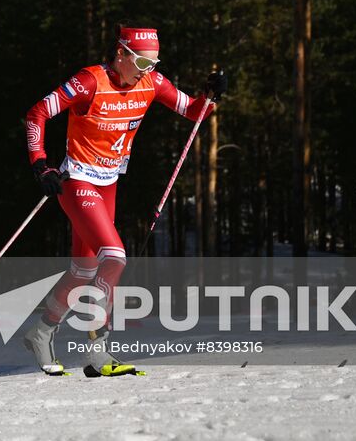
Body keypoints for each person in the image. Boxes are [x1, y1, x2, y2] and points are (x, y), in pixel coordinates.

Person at [21, 26, 227, 377]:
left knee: (83, 270)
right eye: (143, 60)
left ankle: (40, 332)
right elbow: (36, 114)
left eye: (154, 61)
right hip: (78, 181)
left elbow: (193, 112)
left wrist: (211, 96)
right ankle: (97, 350)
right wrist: (40, 162)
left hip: (109, 184)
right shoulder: (89, 82)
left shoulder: (153, 83)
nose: (149, 68)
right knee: (115, 256)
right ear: (121, 54)